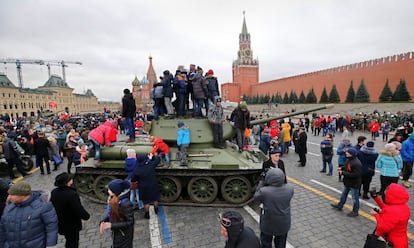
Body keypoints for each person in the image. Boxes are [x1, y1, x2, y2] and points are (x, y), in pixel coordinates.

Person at [0, 181, 58, 247]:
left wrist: (50, 244)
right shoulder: (9, 208)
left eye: (12, 195)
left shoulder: (43, 206)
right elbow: (2, 228)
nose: (9, 197)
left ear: (22, 195)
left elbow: (51, 225)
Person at [254, 168, 294, 248]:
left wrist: (262, 181)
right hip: (284, 223)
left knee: (266, 243)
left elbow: (256, 197)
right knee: (281, 244)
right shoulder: (290, 188)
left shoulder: (264, 191)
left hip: (268, 223)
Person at [50, 172, 90, 248]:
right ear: (67, 182)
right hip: (71, 224)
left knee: (69, 240)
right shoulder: (72, 194)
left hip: (61, 222)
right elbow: (78, 209)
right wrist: (86, 216)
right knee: (73, 242)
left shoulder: (54, 192)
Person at [369, 183, 410, 248]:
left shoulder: (392, 211)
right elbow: (387, 209)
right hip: (401, 241)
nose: (384, 196)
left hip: (391, 242)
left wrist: (376, 214)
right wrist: (376, 198)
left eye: (386, 195)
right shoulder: (403, 206)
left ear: (391, 197)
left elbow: (382, 227)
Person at [99, 179, 134, 248]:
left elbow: (130, 222)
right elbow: (112, 213)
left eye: (109, 189)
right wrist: (103, 221)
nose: (108, 191)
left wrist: (111, 225)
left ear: (116, 191)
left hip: (124, 234)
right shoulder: (114, 199)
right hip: (118, 232)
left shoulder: (125, 204)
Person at [331, 148, 362, 217]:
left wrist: (343, 173)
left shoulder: (357, 163)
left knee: (355, 198)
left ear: (352, 154)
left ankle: (355, 211)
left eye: (348, 153)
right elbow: (346, 166)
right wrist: (342, 168)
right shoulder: (349, 159)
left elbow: (356, 175)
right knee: (343, 195)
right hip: (347, 182)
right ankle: (340, 205)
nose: (346, 153)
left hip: (354, 184)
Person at [131, 153, 161, 219]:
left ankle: (147, 214)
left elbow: (133, 179)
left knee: (146, 201)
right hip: (153, 185)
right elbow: (158, 159)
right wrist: (152, 156)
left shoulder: (137, 169)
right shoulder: (150, 165)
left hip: (143, 187)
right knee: (155, 198)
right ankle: (156, 209)